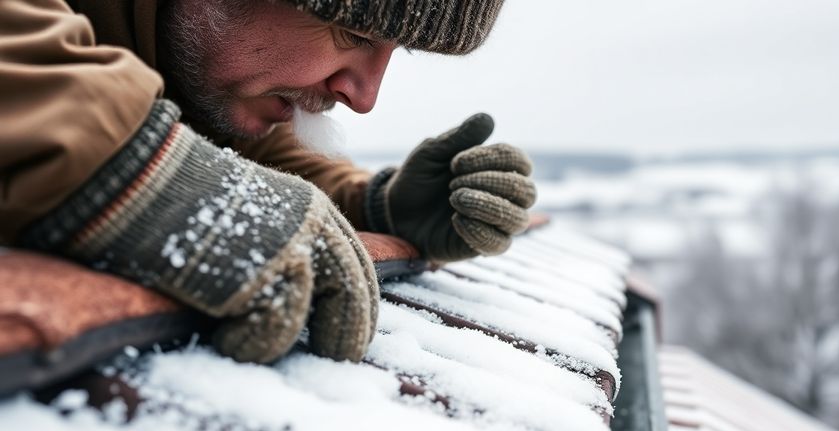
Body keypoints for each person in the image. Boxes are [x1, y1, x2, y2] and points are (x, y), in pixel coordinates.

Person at [0, 0, 536, 363]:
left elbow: (258, 155)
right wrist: (133, 173)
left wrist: (375, 206)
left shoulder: (181, 70)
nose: (364, 96)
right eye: (353, 33)